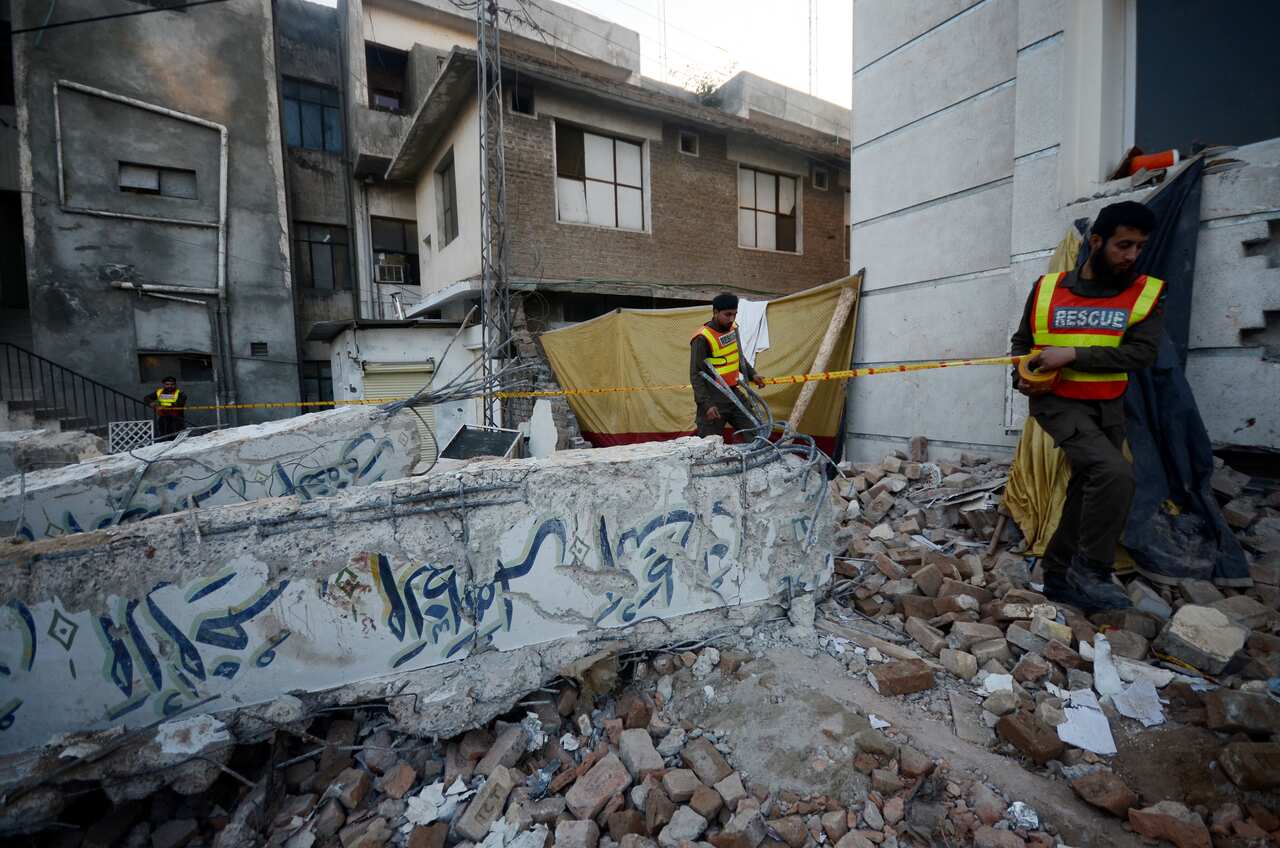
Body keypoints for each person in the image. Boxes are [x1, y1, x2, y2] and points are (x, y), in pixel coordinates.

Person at [1009, 201, 1165, 613]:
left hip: (1107, 406)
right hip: (1057, 403)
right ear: (1096, 242)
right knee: (1115, 474)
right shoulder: (1048, 289)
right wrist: (1021, 376)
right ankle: (1092, 569)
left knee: (1088, 488)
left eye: (1139, 246)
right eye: (1123, 245)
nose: (1132, 255)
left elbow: (1141, 354)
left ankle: (1058, 577)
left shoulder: (1144, 293)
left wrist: (1073, 353)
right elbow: (1022, 344)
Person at [691, 292, 766, 441]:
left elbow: (736, 355)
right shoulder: (702, 338)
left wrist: (752, 374)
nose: (731, 319)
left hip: (733, 392)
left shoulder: (732, 328)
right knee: (709, 445)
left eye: (735, 314)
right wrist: (707, 405)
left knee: (755, 432)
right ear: (715, 312)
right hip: (713, 398)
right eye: (727, 314)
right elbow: (696, 374)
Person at [144, 376, 187, 440]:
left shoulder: (180, 394)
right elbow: (146, 398)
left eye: (172, 384)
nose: (170, 386)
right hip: (163, 419)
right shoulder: (159, 392)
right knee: (163, 437)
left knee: (176, 438)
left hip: (176, 419)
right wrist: (152, 404)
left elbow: (179, 404)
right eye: (167, 384)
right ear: (163, 384)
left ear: (175, 385)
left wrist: (164, 407)